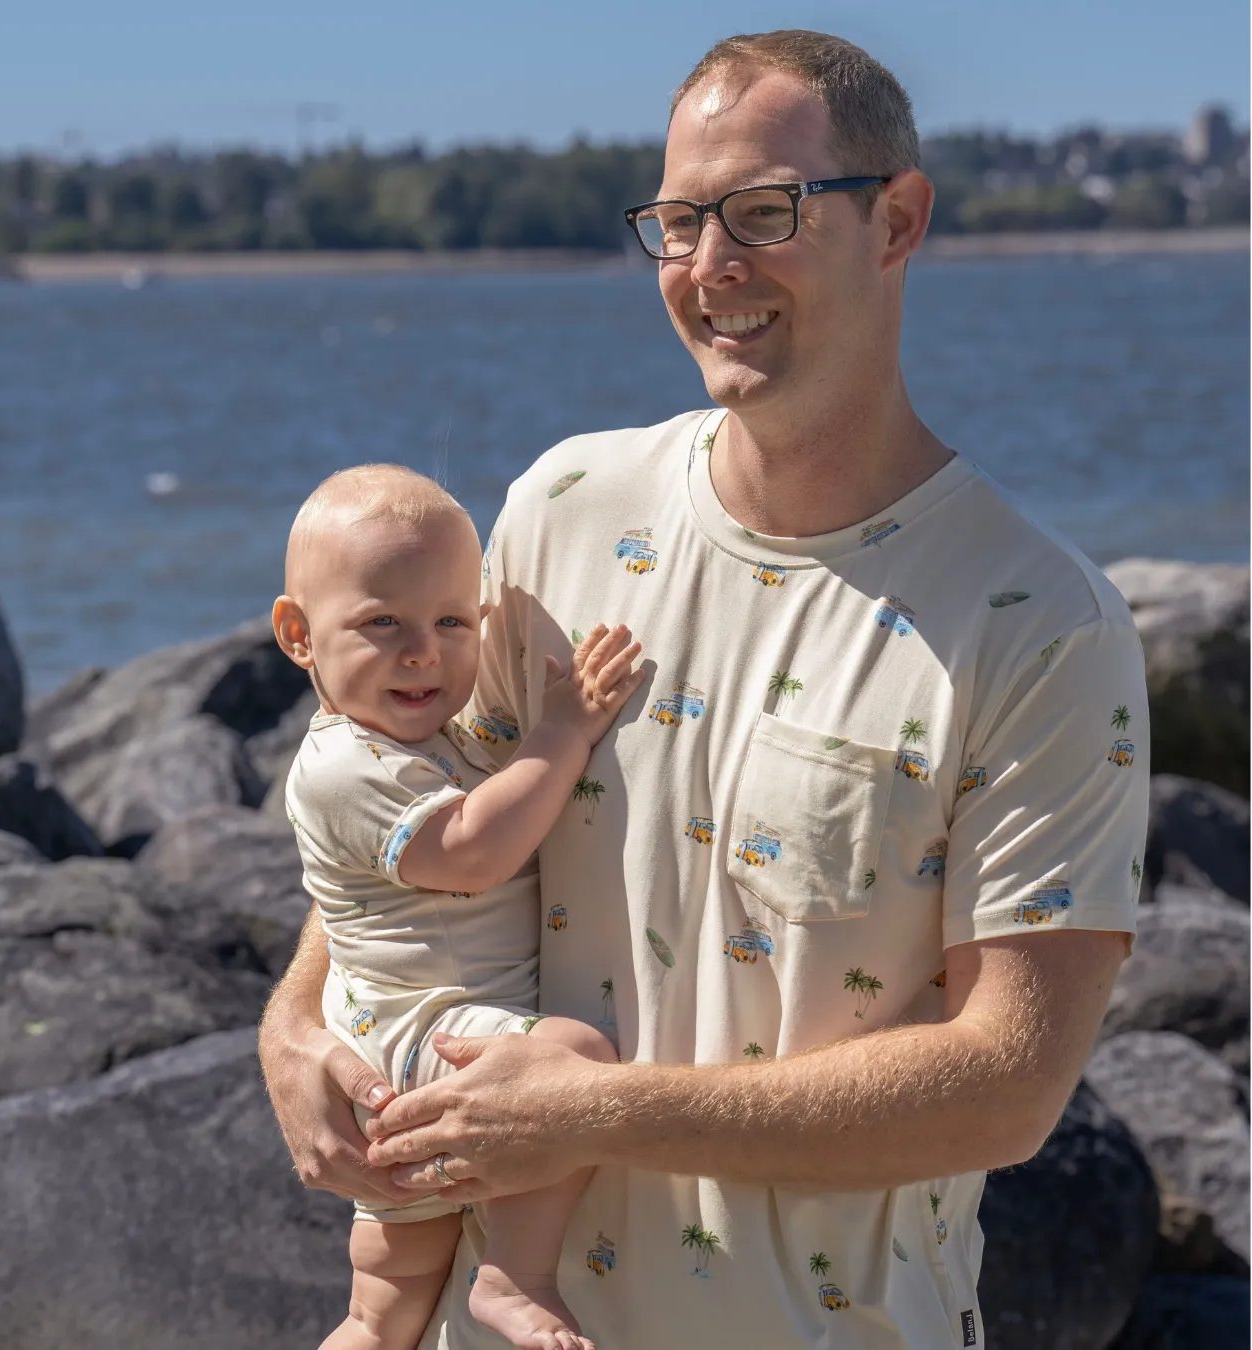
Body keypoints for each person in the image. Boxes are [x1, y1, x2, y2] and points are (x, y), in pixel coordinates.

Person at [260, 30, 1149, 1349]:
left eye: (762, 211)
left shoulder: (1038, 625)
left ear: (896, 219)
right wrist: (291, 1024)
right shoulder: (564, 512)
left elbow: (1003, 1084)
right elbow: (419, 819)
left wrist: (594, 1113)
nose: (709, 266)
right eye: (677, 222)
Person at [271, 465, 643, 1350]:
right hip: (420, 1043)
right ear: (298, 636)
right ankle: (516, 1279)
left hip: (398, 1047)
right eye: (381, 623)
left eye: (451, 621)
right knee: (572, 1060)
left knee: (380, 1311)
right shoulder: (342, 768)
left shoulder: (413, 744)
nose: (422, 652)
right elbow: (473, 853)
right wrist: (561, 733)